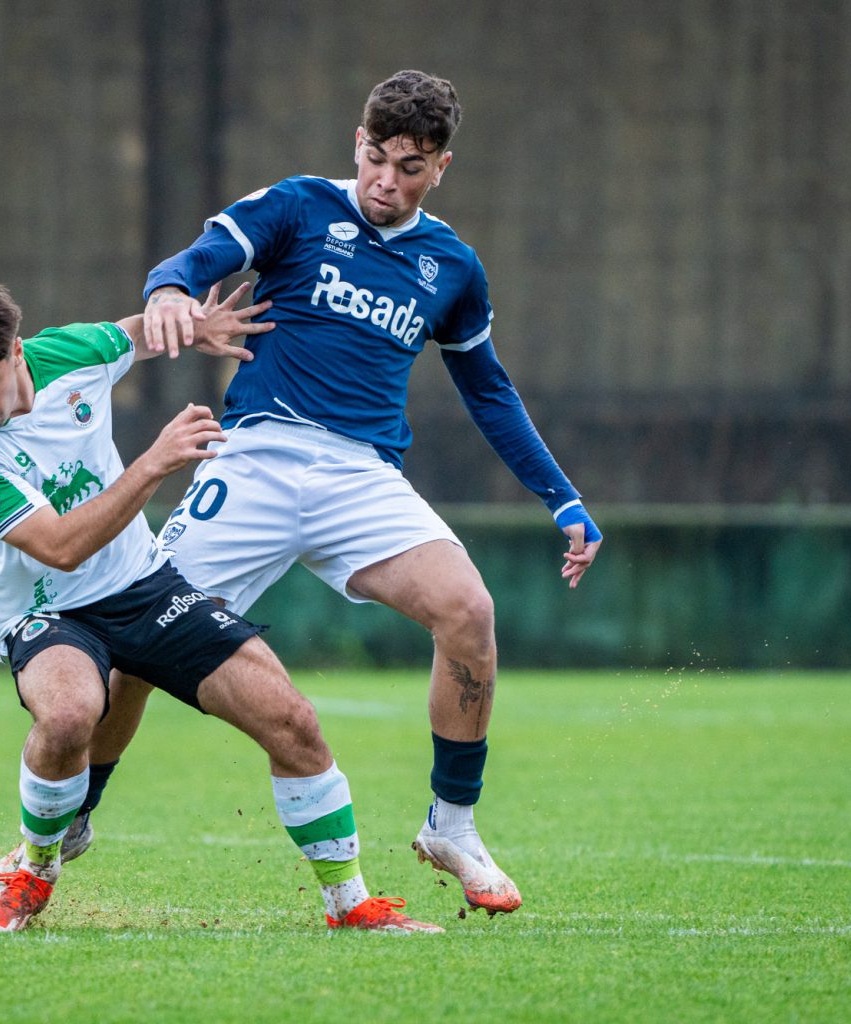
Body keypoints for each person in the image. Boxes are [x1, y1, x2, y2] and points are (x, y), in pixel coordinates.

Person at [99, 69, 604, 916]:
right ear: (356, 143)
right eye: (376, 157)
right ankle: (63, 825)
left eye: (410, 167)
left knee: (469, 612)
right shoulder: (299, 206)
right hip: (253, 458)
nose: (385, 181)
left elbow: (488, 390)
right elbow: (193, 259)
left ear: (441, 166)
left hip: (362, 477)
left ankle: (453, 824)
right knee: (133, 650)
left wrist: (563, 498)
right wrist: (169, 294)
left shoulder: (452, 265)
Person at [0, 273, 440, 934]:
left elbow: (134, 334)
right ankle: (36, 864)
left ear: (18, 351)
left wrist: (195, 328)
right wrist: (153, 464)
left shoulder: (72, 351)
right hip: (45, 609)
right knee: (71, 714)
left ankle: (350, 904)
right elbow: (60, 547)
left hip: (142, 585)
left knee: (292, 720)